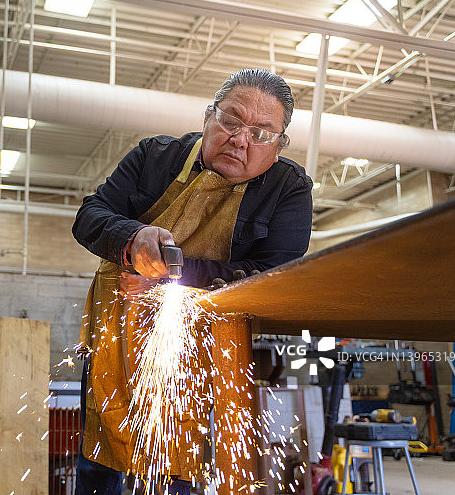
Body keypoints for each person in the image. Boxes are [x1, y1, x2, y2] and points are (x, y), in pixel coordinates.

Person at [71, 68, 313, 494]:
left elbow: (275, 274)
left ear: (278, 146)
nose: (240, 139)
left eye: (261, 133)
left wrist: (173, 274)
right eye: (231, 121)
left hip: (202, 345)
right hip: (117, 331)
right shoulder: (154, 157)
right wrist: (132, 239)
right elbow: (89, 216)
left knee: (177, 462)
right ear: (208, 117)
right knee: (101, 457)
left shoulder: (288, 189)